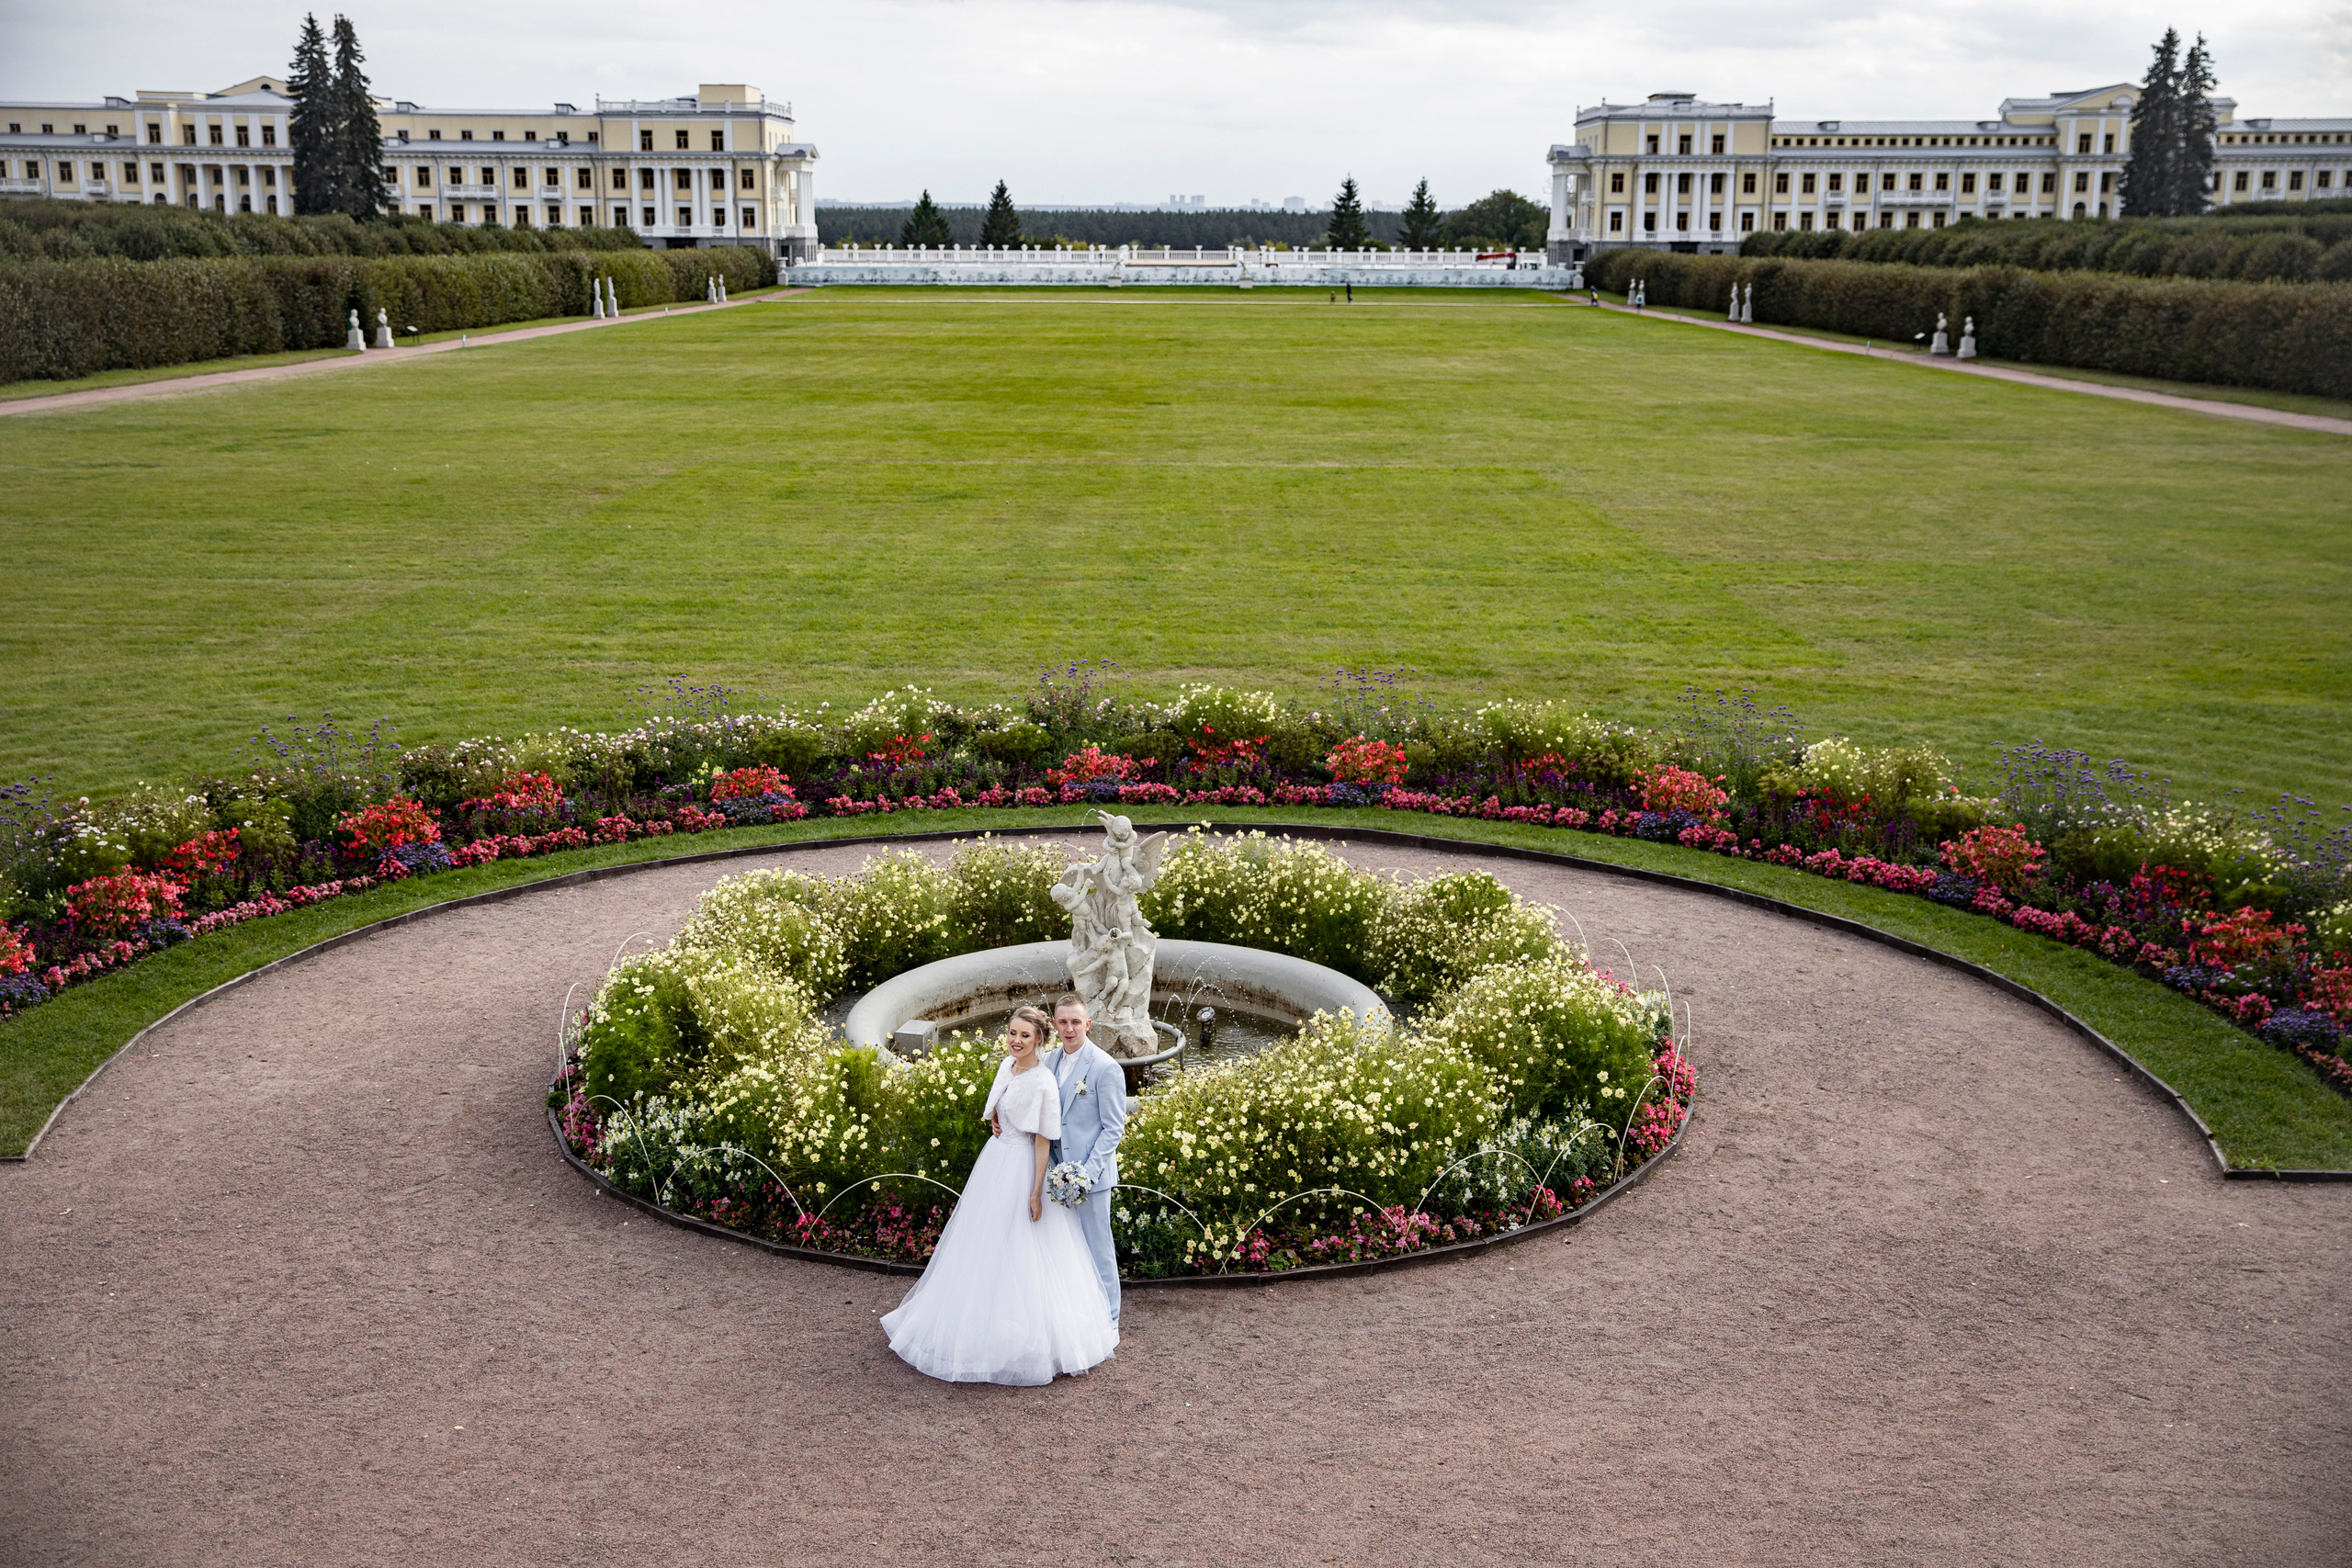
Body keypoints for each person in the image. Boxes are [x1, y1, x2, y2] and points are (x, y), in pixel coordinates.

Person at [878, 1007, 1117, 1384]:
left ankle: (1082, 1326)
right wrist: (997, 1119)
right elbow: (1000, 1104)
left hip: (1025, 1168)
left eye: (1025, 1035)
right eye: (1012, 1033)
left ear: (1039, 1039)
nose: (1016, 1040)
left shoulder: (1045, 1080)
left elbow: (1044, 1138)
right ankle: (977, 1319)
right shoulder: (1009, 1065)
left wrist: (1036, 1192)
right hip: (995, 1164)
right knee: (986, 1243)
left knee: (1032, 1248)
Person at [1045, 993, 1125, 1325]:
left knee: (1098, 1249)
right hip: (1053, 1174)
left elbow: (1113, 1128)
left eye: (1075, 1022)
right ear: (1054, 1025)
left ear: (1088, 1024)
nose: (1069, 1028)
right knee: (1066, 1250)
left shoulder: (1105, 1067)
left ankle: (1110, 1321)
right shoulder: (1047, 1061)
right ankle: (1076, 1319)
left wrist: (1085, 1175)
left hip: (1090, 1178)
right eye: (1063, 1022)